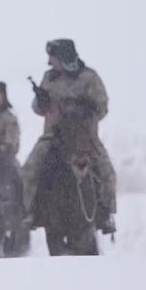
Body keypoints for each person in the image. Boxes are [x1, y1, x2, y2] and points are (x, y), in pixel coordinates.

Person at [21, 39, 117, 234]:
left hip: (84, 136)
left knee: (107, 172)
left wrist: (85, 108)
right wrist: (40, 102)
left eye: (53, 58)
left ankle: (106, 214)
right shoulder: (49, 78)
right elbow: (38, 108)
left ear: (64, 57)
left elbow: (103, 107)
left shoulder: (89, 78)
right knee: (29, 171)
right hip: (53, 136)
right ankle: (28, 212)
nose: (49, 62)